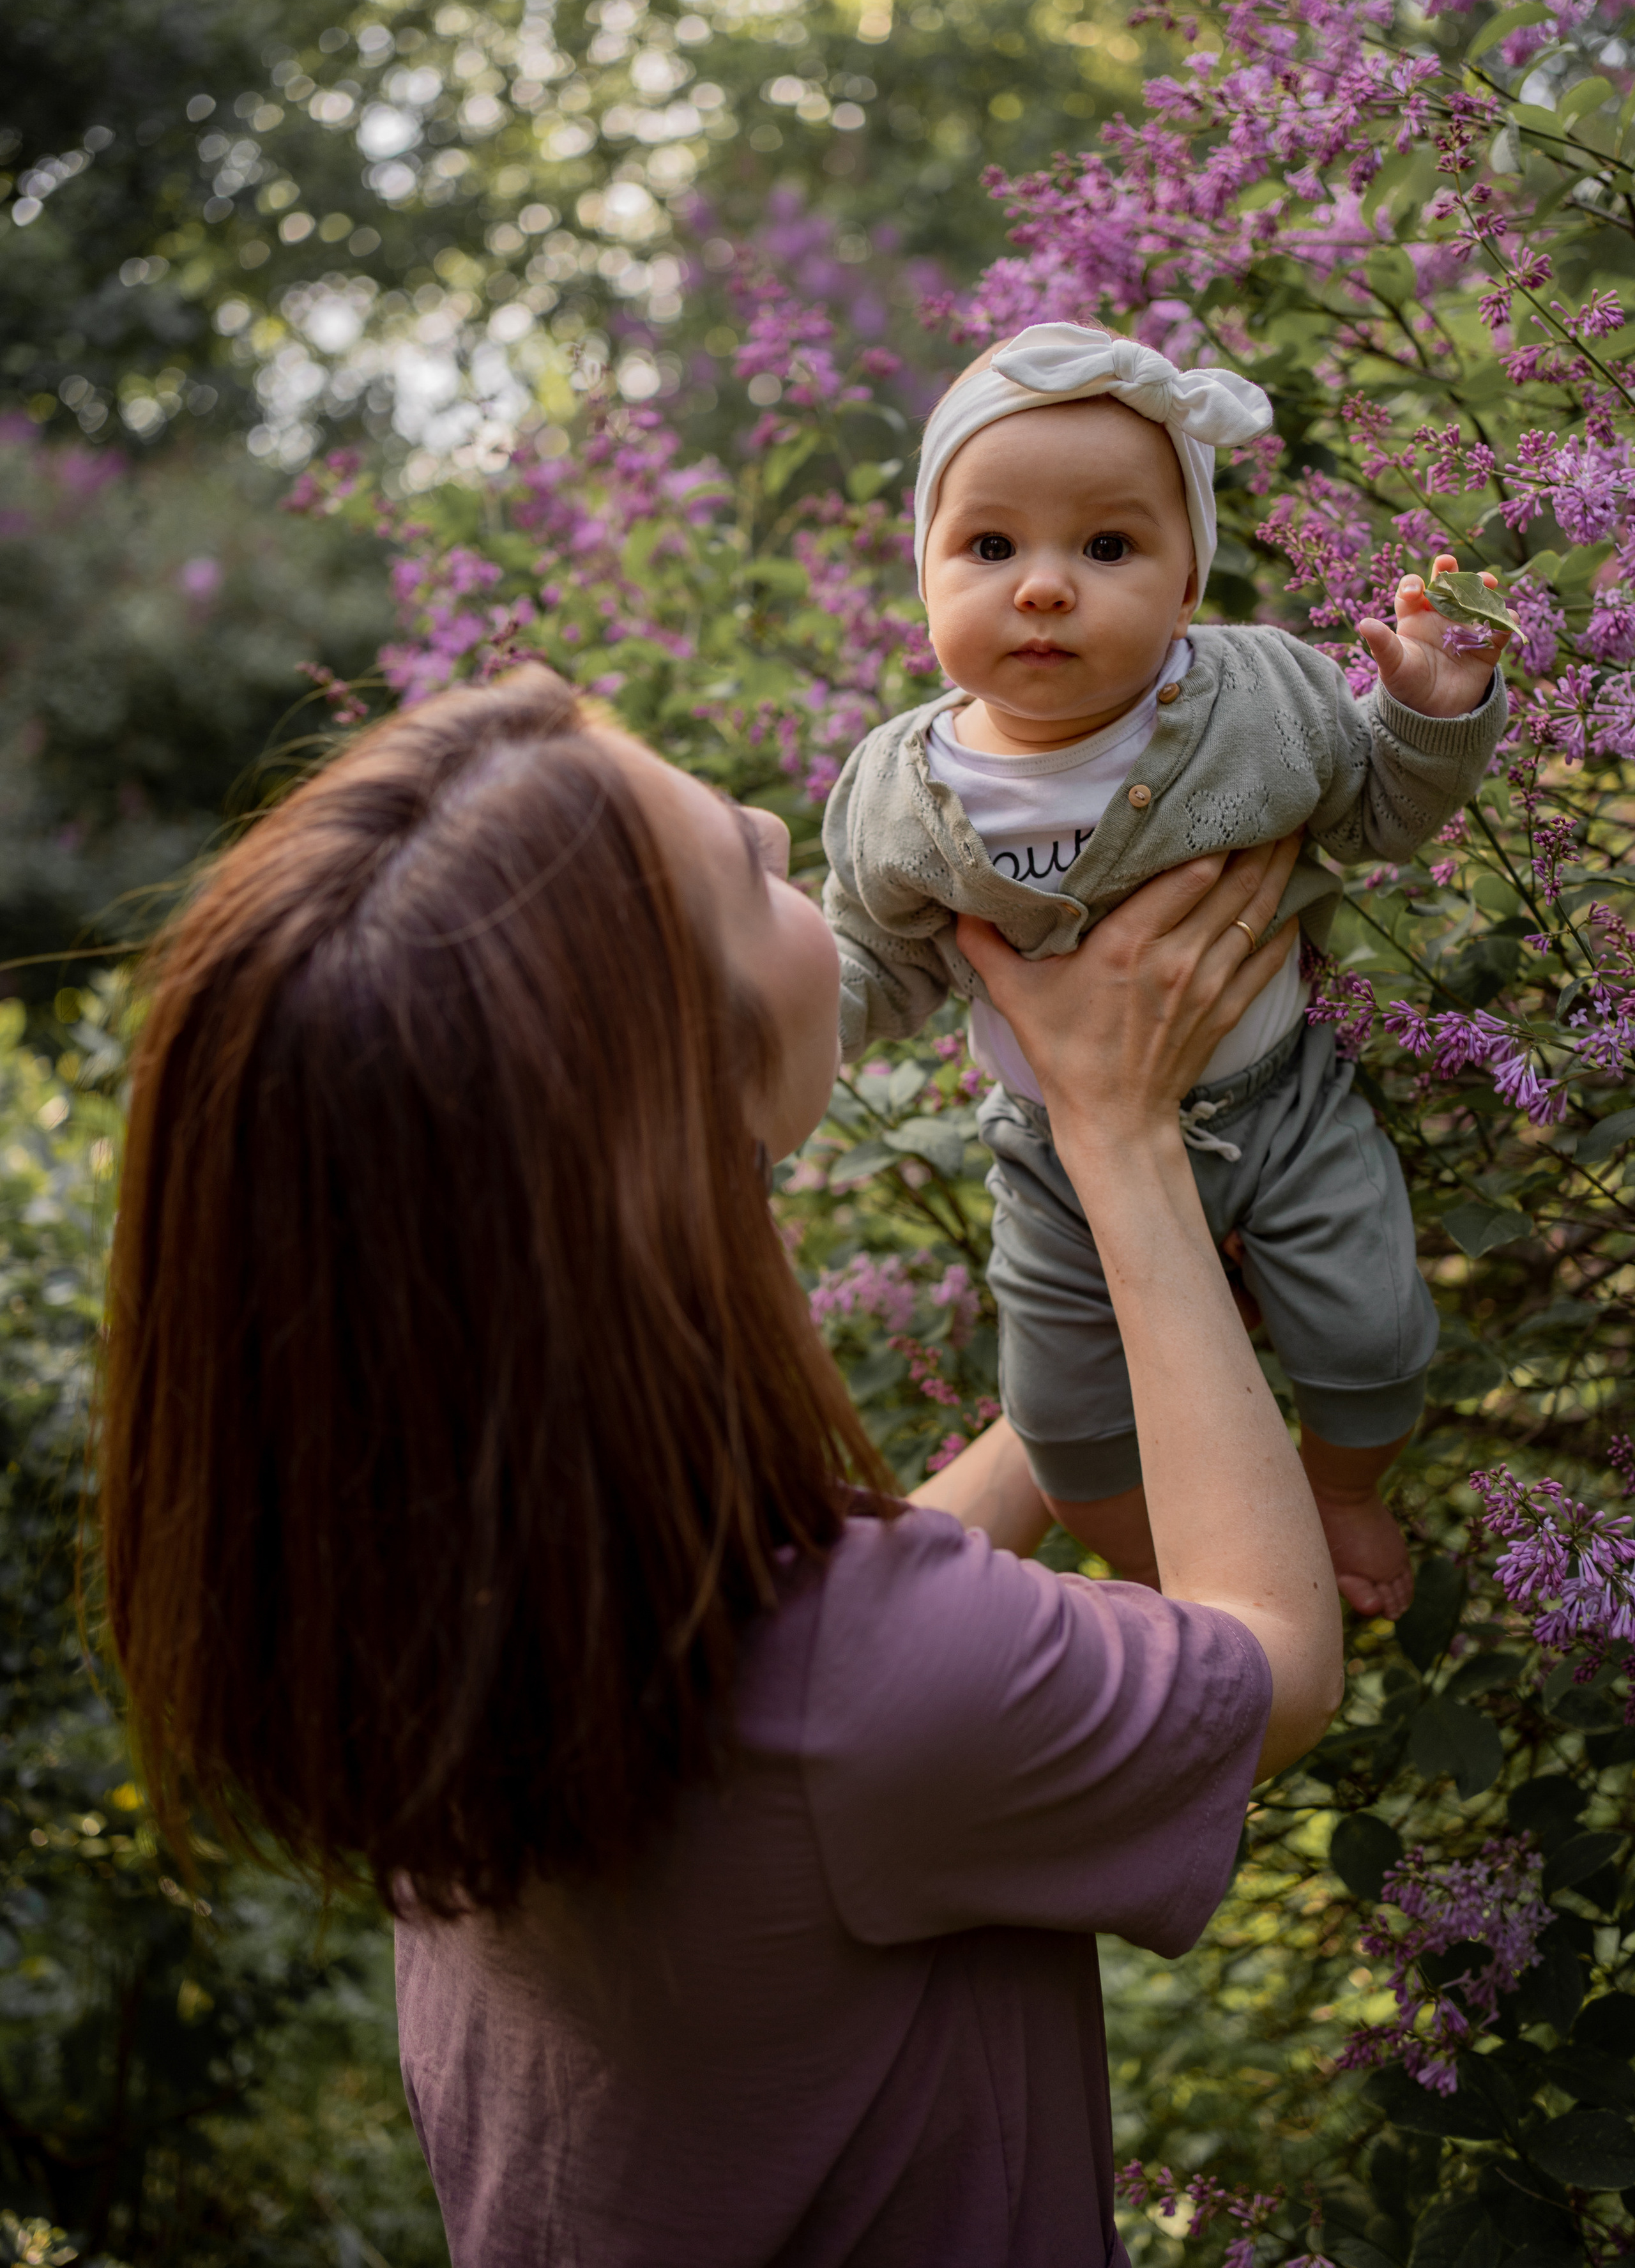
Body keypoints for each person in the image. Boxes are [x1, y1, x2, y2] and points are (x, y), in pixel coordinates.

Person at [100, 666, 1342, 2268]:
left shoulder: (429, 1605)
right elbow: (1273, 1666)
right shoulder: (855, 1700)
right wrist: (1118, 1133)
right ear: (681, 1107)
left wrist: (1078, 1395)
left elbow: (823, 1646)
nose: (776, 821)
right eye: (748, 873)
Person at [821, 321, 1510, 1620]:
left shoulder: (1257, 699)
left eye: (1105, 546)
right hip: (1052, 1158)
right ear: (920, 576)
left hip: (1280, 1107)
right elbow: (873, 959)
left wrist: (1424, 714)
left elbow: (1372, 808)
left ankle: (1341, 1489)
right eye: (988, 546)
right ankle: (1176, 1584)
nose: (1040, 586)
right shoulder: (900, 797)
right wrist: (767, 1024)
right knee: (1067, 1428)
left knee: (1371, 1344)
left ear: (1187, 577)